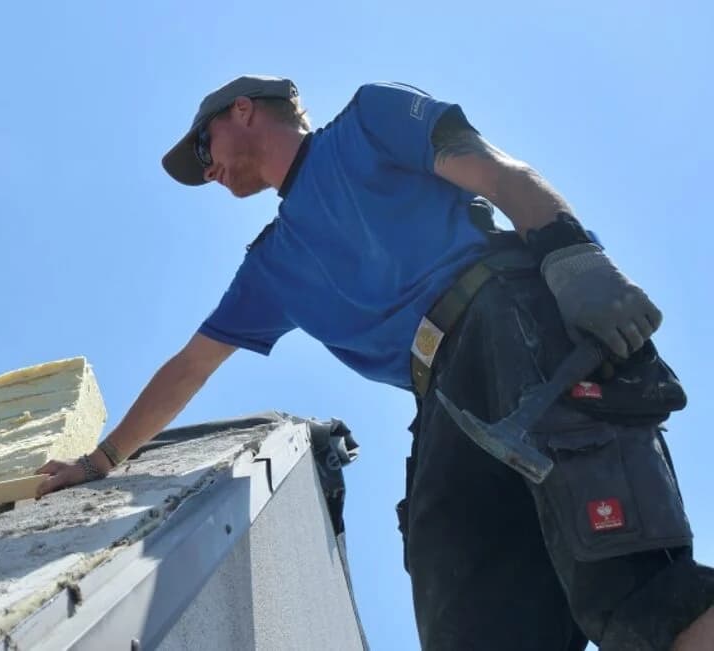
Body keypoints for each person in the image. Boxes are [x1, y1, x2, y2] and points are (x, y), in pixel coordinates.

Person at [35, 75, 714, 649]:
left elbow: (492, 168)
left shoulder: (366, 124)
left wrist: (574, 254)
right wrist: (99, 463)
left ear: (242, 110)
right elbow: (190, 366)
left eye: (203, 147)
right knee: (472, 631)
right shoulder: (275, 263)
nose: (206, 169)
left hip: (510, 322)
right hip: (447, 407)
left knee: (635, 593)